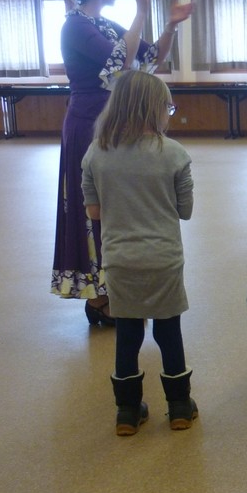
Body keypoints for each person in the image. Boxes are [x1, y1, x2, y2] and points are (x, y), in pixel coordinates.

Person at [52, 0, 193, 327]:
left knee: (120, 202)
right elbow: (119, 60)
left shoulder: (101, 23)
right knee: (93, 205)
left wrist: (170, 25)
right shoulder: (75, 25)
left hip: (115, 123)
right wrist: (141, 9)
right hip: (88, 126)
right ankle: (99, 297)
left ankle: (117, 286)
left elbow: (150, 58)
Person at [81, 70, 197, 436]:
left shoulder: (96, 152)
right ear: (155, 109)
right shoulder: (175, 153)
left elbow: (94, 212)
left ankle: (128, 412)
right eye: (169, 107)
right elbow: (186, 210)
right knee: (168, 330)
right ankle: (179, 405)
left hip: (120, 260)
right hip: (163, 259)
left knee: (128, 333)